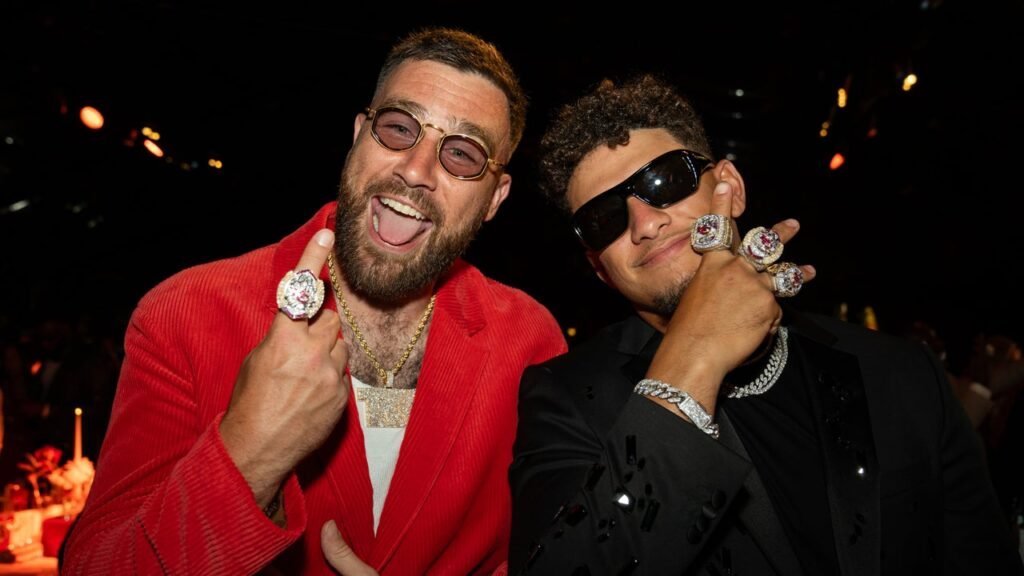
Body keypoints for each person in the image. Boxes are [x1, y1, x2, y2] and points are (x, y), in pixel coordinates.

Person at [61, 27, 566, 575]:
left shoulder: (529, 342)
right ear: (359, 136)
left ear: (494, 198)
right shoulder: (184, 314)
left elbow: (548, 554)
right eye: (399, 128)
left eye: (463, 155)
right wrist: (250, 454)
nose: (416, 170)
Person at [507, 75, 1024, 575]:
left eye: (665, 181)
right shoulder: (566, 401)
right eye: (604, 219)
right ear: (600, 268)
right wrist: (695, 355)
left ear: (728, 186)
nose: (645, 223)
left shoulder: (898, 370)